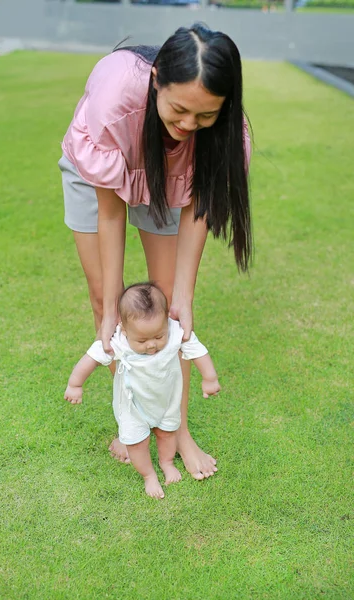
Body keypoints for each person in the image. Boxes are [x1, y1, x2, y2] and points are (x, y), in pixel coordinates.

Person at [59, 22, 252, 480]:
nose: (188, 126)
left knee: (167, 307)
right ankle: (133, 428)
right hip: (101, 163)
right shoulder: (115, 97)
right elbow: (111, 213)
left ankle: (176, 430)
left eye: (205, 117)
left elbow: (199, 207)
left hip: (174, 175)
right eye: (180, 110)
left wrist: (183, 295)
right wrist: (109, 307)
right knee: (109, 300)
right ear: (156, 78)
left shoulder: (225, 131)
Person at [64, 282, 221, 499]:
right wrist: (75, 384)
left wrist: (209, 378)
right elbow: (91, 359)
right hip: (133, 407)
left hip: (166, 402)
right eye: (142, 340)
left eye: (158, 337)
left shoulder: (174, 331)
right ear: (125, 330)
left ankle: (166, 463)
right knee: (137, 444)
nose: (151, 345)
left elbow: (196, 350)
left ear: (166, 321)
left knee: (167, 434)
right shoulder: (119, 341)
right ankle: (149, 475)